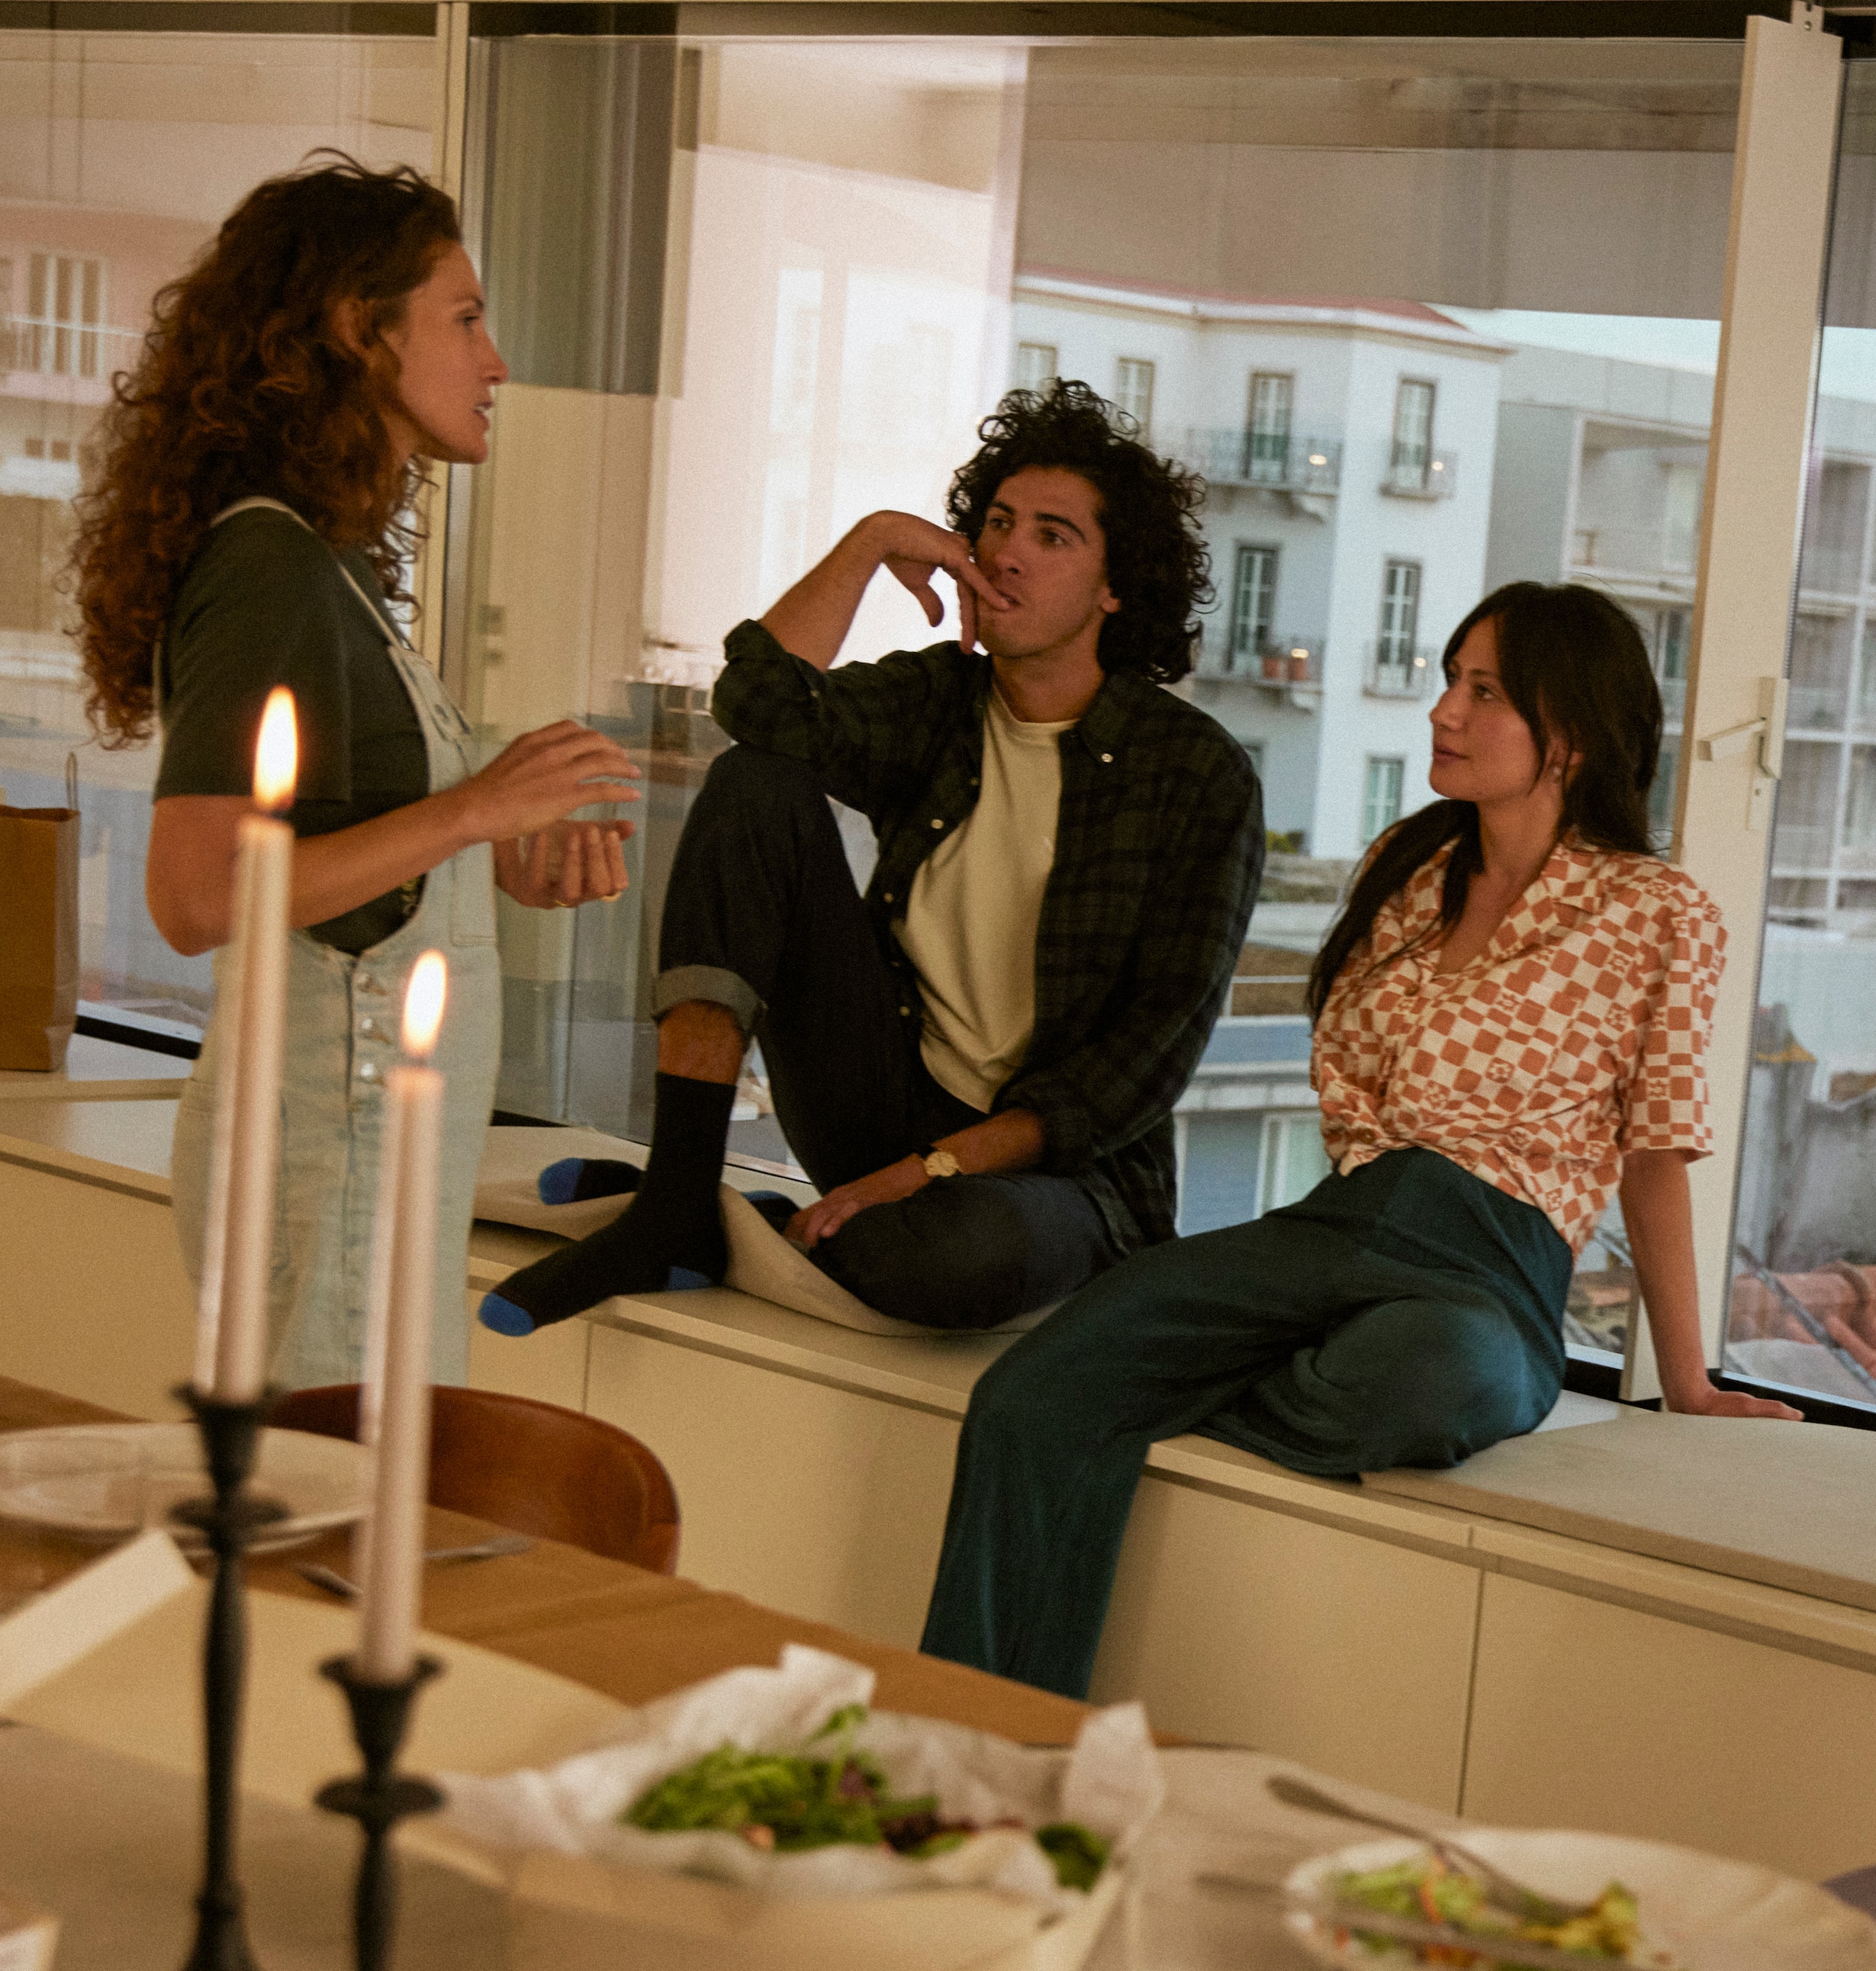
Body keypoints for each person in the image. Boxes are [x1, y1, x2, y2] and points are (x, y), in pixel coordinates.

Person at [923, 580, 1797, 1697]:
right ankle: (966, 1731)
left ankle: (1165, 1402)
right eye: (1449, 681)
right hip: (1340, 1224)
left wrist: (1689, 1380)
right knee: (1033, 1389)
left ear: (1568, 734)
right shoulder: (1412, 866)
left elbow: (1656, 1151)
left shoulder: (1660, 911)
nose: (1444, 710)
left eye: (1483, 692)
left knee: (1421, 1382)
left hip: (1492, 1265)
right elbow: (1348, 1081)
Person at [479, 379, 1260, 1338]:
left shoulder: (1194, 774)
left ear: (1114, 585)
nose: (1008, 551)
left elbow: (1135, 1074)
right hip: (881, 1098)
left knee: (951, 1261)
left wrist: (925, 1174)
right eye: (999, 523)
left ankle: (747, 1224)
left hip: (1050, 1174)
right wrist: (871, 542)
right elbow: (761, 707)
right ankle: (677, 1197)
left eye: (1052, 536)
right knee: (758, 782)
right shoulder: (941, 703)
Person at [74, 156, 637, 1390]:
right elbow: (198, 895)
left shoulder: (330, 568)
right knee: (325, 1542)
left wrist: (488, 851)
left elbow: (342, 880)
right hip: (332, 1156)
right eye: (467, 318)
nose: (496, 362)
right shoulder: (271, 564)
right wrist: (477, 807)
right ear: (356, 329)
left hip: (365, 1156)